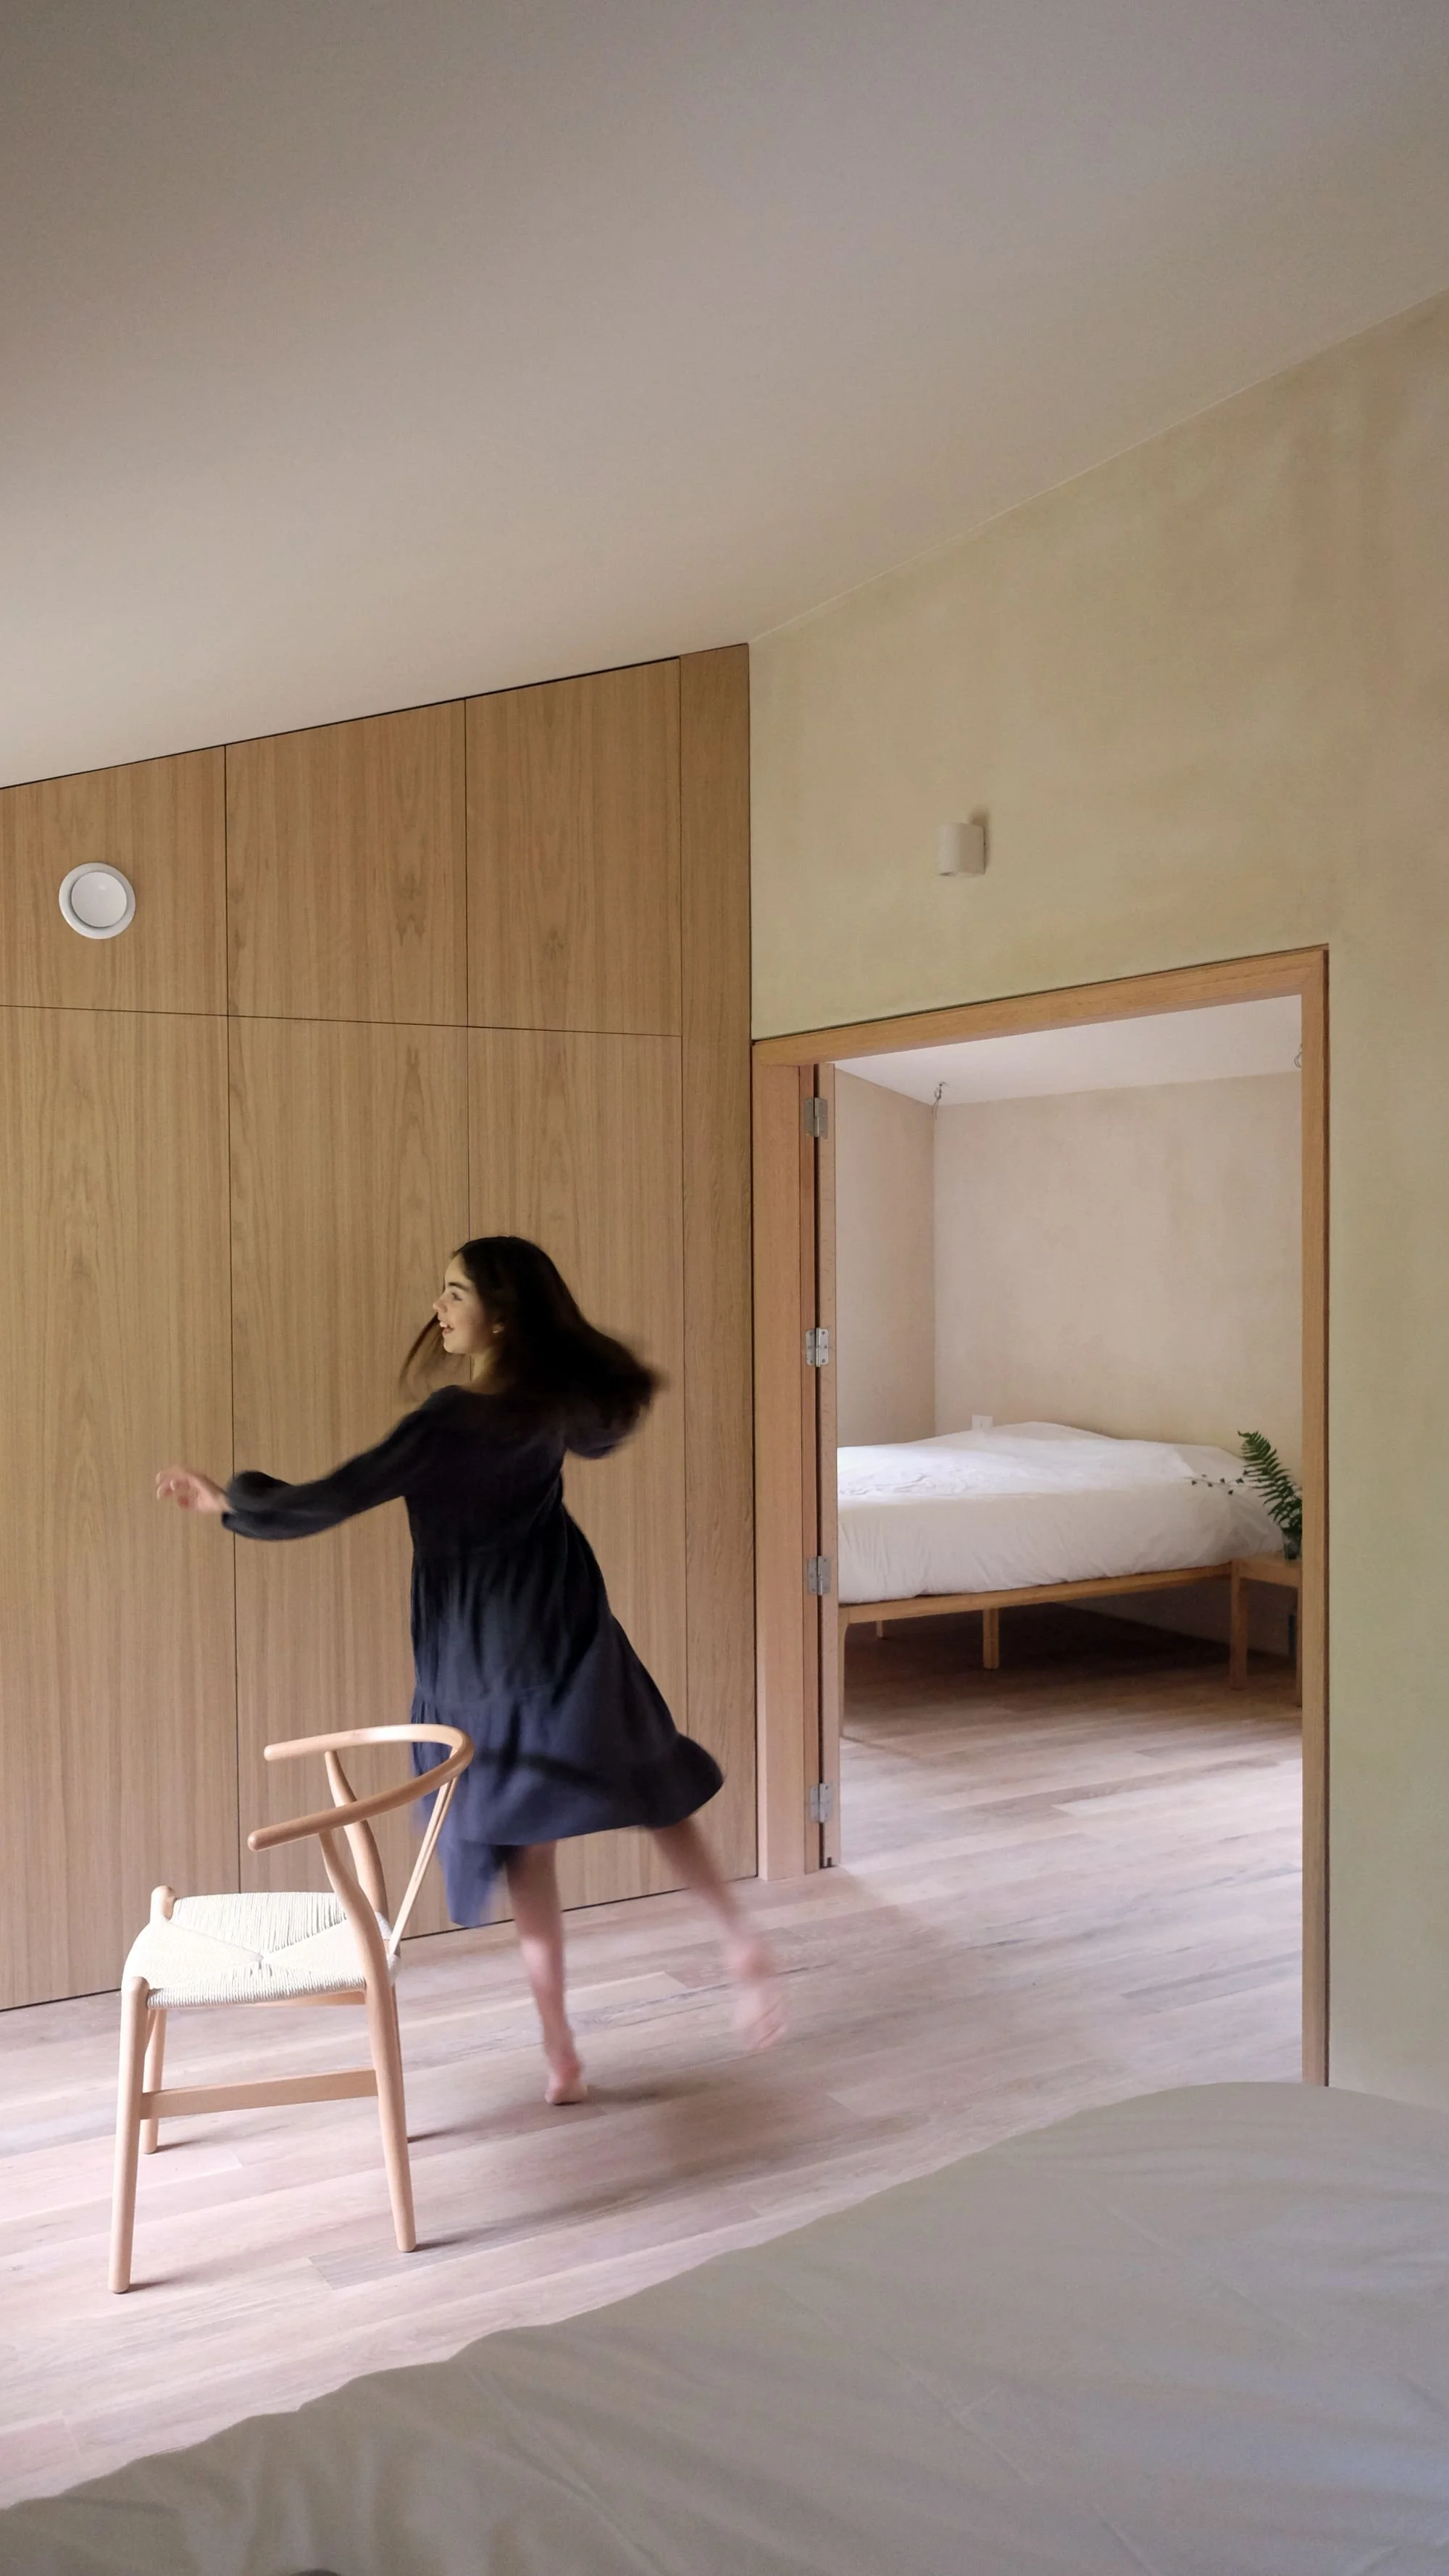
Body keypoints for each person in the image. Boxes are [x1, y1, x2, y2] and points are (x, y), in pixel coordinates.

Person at [157, 1235, 781, 2103]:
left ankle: (559, 2045)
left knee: (523, 1847)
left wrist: (229, 1503)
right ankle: (734, 1934)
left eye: (454, 1292)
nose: (439, 1309)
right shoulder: (548, 1404)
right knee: (648, 1775)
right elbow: (601, 1429)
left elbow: (338, 1493)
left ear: (500, 1312)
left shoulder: (448, 1422)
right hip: (569, 1624)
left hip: (484, 1651)